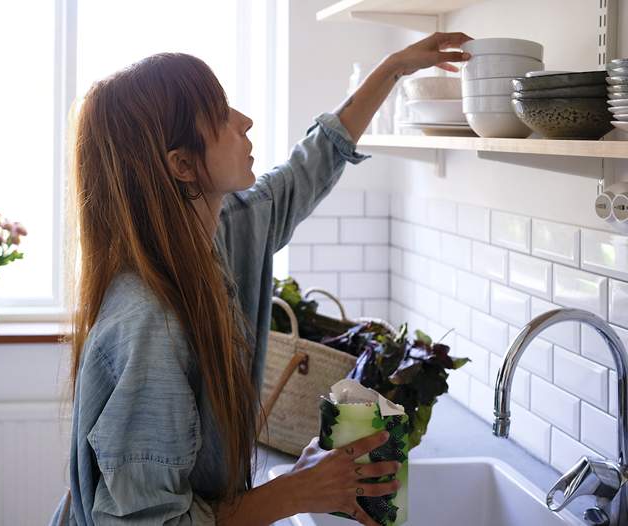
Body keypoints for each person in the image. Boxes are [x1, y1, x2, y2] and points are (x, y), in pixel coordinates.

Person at [49, 32, 472, 526]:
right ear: (183, 165)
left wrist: (393, 68)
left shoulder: (221, 235)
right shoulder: (150, 327)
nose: (244, 121)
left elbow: (309, 166)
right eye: (221, 112)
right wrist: (295, 492)